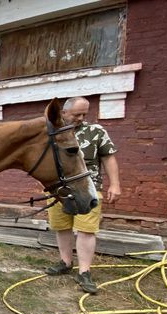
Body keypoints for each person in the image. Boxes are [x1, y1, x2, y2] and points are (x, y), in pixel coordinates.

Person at [45, 96, 121, 294]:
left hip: (89, 187)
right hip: (59, 189)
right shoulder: (52, 131)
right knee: (61, 226)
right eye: (76, 114)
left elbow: (108, 157)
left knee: (86, 229)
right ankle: (65, 261)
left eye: (84, 114)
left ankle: (84, 272)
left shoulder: (95, 131)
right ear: (64, 113)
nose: (80, 118)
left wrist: (115, 184)